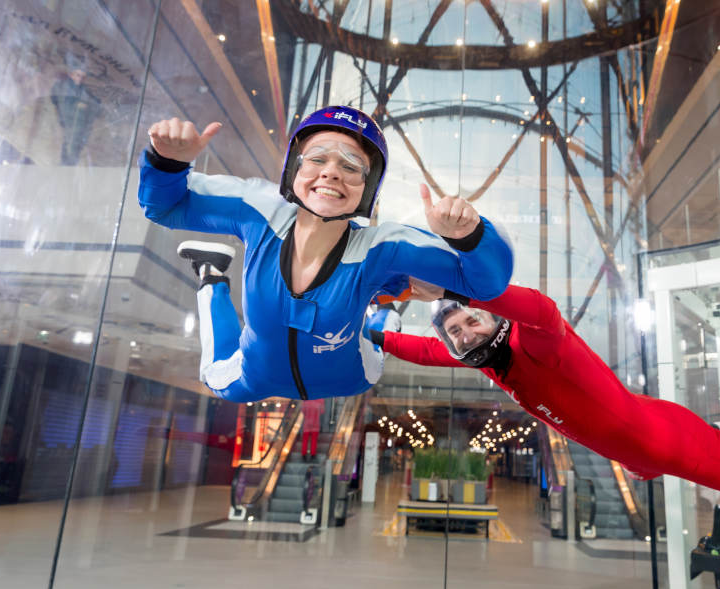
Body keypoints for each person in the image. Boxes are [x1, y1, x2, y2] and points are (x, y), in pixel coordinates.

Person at [367, 280, 720, 506]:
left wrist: (453, 280)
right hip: (647, 444)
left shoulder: (537, 342)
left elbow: (539, 308)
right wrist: (372, 335)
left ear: (491, 315)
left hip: (675, 443)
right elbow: (423, 349)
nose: (465, 334)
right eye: (455, 330)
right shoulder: (490, 361)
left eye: (472, 319)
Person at [138, 106, 513, 403]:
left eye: (351, 166)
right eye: (316, 159)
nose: (331, 173)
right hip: (254, 376)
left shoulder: (383, 247)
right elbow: (166, 206)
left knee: (378, 339)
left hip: (352, 376)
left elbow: (485, 282)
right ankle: (212, 276)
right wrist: (167, 162)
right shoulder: (259, 210)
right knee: (215, 372)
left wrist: (470, 234)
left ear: (368, 188)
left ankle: (386, 309)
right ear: (294, 170)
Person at [50, 52, 103, 165]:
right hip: (68, 123)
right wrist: (76, 105)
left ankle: (70, 163)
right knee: (68, 144)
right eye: (78, 75)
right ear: (71, 75)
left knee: (75, 146)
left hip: (78, 125)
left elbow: (92, 101)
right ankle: (66, 163)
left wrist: (92, 105)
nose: (80, 79)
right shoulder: (62, 87)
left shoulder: (83, 89)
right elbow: (59, 101)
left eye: (83, 76)